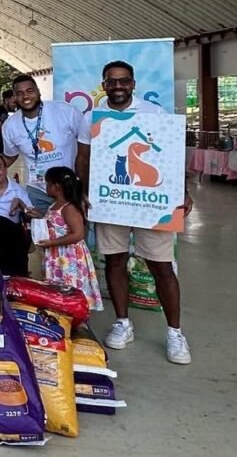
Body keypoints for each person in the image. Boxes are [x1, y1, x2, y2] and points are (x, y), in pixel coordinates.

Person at [74, 60, 194, 365]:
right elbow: (83, 158)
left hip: (151, 203)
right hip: (111, 200)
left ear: (133, 84)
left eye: (123, 81)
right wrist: (84, 191)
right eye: (112, 81)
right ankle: (123, 322)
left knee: (161, 266)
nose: (118, 86)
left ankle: (175, 333)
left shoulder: (154, 113)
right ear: (104, 85)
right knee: (115, 261)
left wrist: (182, 191)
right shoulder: (92, 118)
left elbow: (171, 156)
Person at [1, 74, 84, 212]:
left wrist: (85, 185)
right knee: (39, 225)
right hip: (37, 191)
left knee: (75, 225)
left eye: (30, 91)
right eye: (19, 93)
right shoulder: (10, 126)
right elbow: (10, 156)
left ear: (38, 91)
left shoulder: (66, 111)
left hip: (69, 188)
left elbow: (86, 146)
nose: (25, 96)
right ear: (14, 97)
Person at [36, 167, 101, 310]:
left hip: (68, 256)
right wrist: (37, 215)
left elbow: (78, 234)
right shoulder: (54, 205)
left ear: (56, 186)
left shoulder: (69, 208)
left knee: (70, 286)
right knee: (57, 287)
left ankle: (76, 314)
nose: (46, 187)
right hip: (56, 255)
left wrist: (52, 242)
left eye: (47, 183)